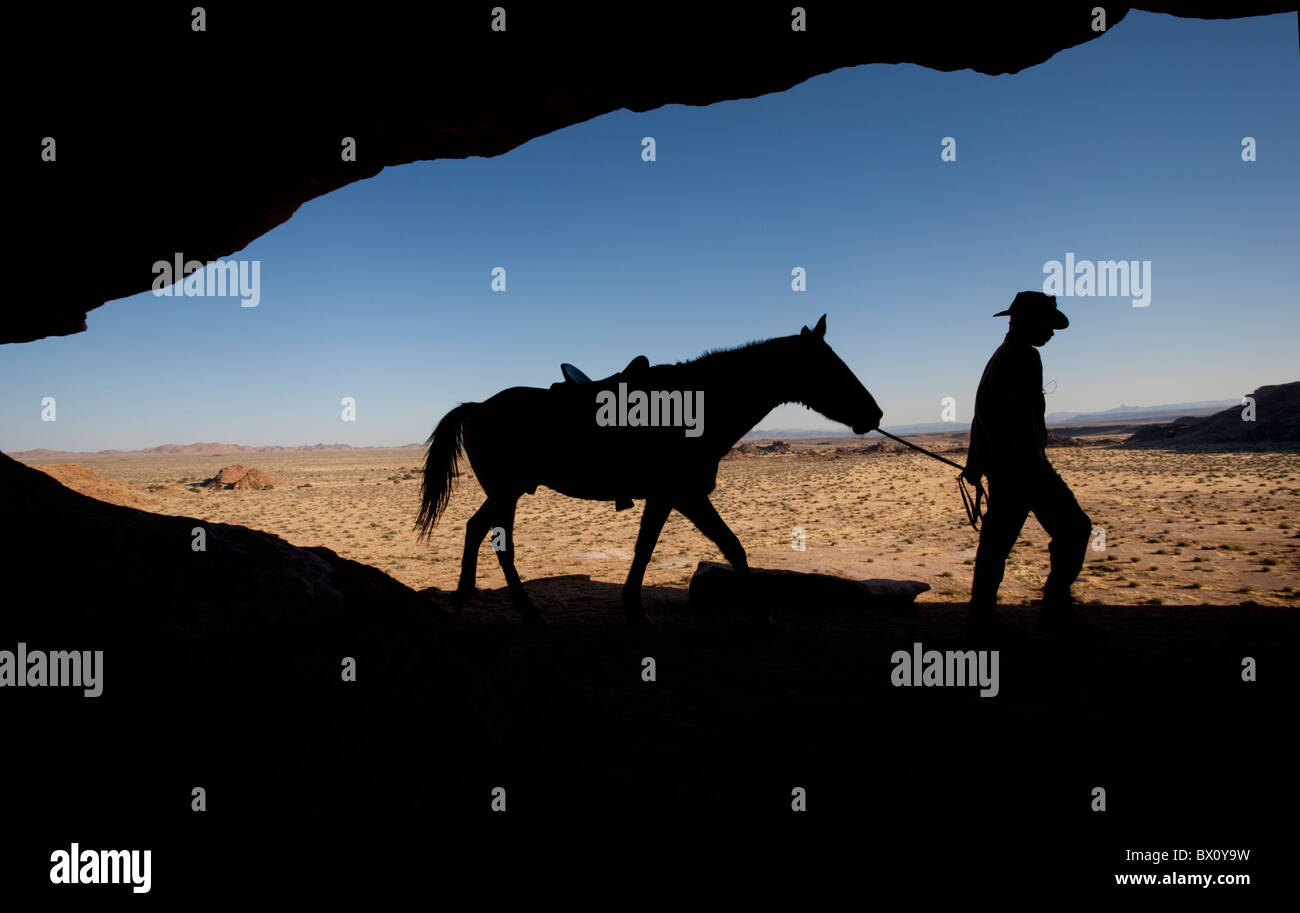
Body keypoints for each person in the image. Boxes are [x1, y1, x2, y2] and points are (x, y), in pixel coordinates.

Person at [963, 291, 1099, 637]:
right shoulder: (1021, 358)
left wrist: (977, 463)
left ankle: (982, 618)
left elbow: (981, 417)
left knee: (996, 544)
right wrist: (989, 464)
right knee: (1075, 529)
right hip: (1023, 469)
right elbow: (1002, 421)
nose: (1051, 333)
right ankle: (1054, 614)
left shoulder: (1006, 356)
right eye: (1047, 325)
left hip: (1010, 468)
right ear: (1026, 322)